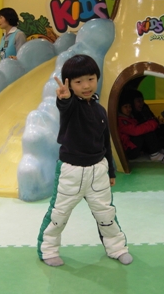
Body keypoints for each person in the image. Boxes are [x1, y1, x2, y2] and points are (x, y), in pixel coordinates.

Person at [37, 54, 132, 267]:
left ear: (97, 78)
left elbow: (105, 142)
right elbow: (65, 105)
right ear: (69, 85)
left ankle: (117, 248)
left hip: (98, 170)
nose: (86, 86)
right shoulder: (71, 106)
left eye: (90, 79)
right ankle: (48, 250)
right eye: (78, 82)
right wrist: (64, 98)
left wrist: (111, 171)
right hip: (71, 171)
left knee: (106, 213)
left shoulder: (100, 110)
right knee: (58, 215)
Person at [117, 90, 164, 161]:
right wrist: (154, 122)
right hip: (129, 150)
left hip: (133, 147)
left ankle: (160, 150)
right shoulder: (121, 121)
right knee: (144, 130)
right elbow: (135, 131)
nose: (128, 109)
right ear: (120, 108)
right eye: (125, 107)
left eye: (130, 107)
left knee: (146, 128)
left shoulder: (130, 118)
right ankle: (155, 154)